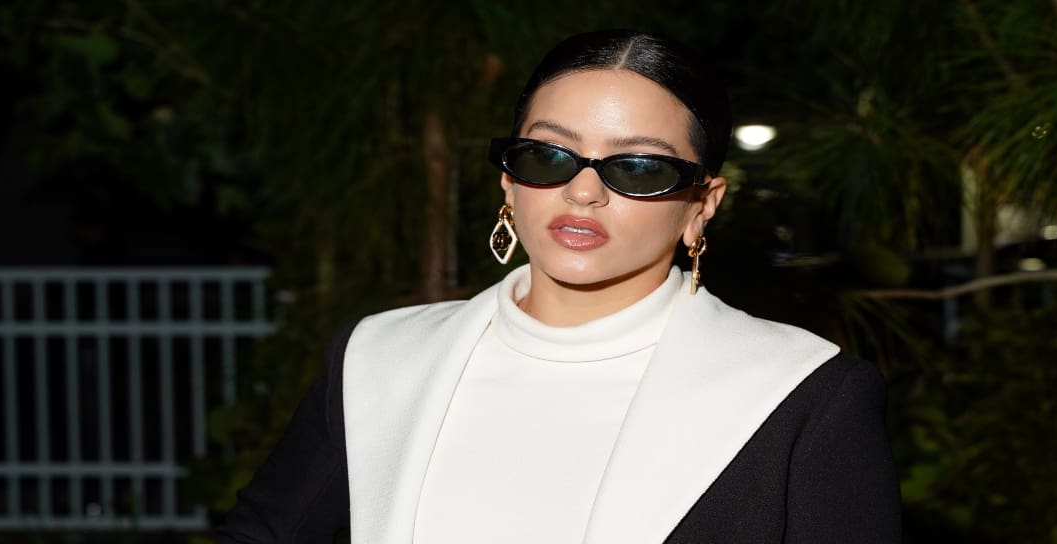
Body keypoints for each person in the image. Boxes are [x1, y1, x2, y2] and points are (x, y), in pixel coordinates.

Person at [214, 29, 901, 543]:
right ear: (509, 180)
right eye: (549, 155)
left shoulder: (801, 392)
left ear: (702, 203)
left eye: (638, 167)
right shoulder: (379, 358)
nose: (582, 192)